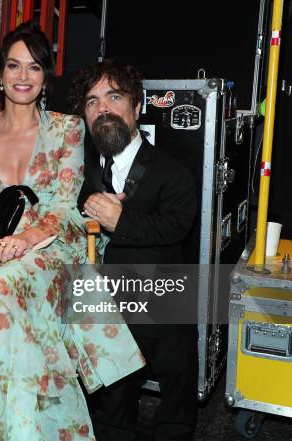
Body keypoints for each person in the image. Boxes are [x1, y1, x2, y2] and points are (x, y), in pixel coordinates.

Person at [0, 22, 144, 441]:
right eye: (13, 66)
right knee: (3, 290)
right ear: (1, 74)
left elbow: (64, 207)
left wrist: (21, 243)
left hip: (52, 250)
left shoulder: (67, 129)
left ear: (45, 77)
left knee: (2, 286)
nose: (23, 77)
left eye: (34, 67)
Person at [71, 59, 198, 441]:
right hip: (101, 303)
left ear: (137, 106)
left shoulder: (174, 171)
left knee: (177, 379)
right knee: (110, 409)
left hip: (158, 298)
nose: (102, 108)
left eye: (114, 96)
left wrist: (119, 220)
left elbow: (176, 227)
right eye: (92, 102)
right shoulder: (78, 166)